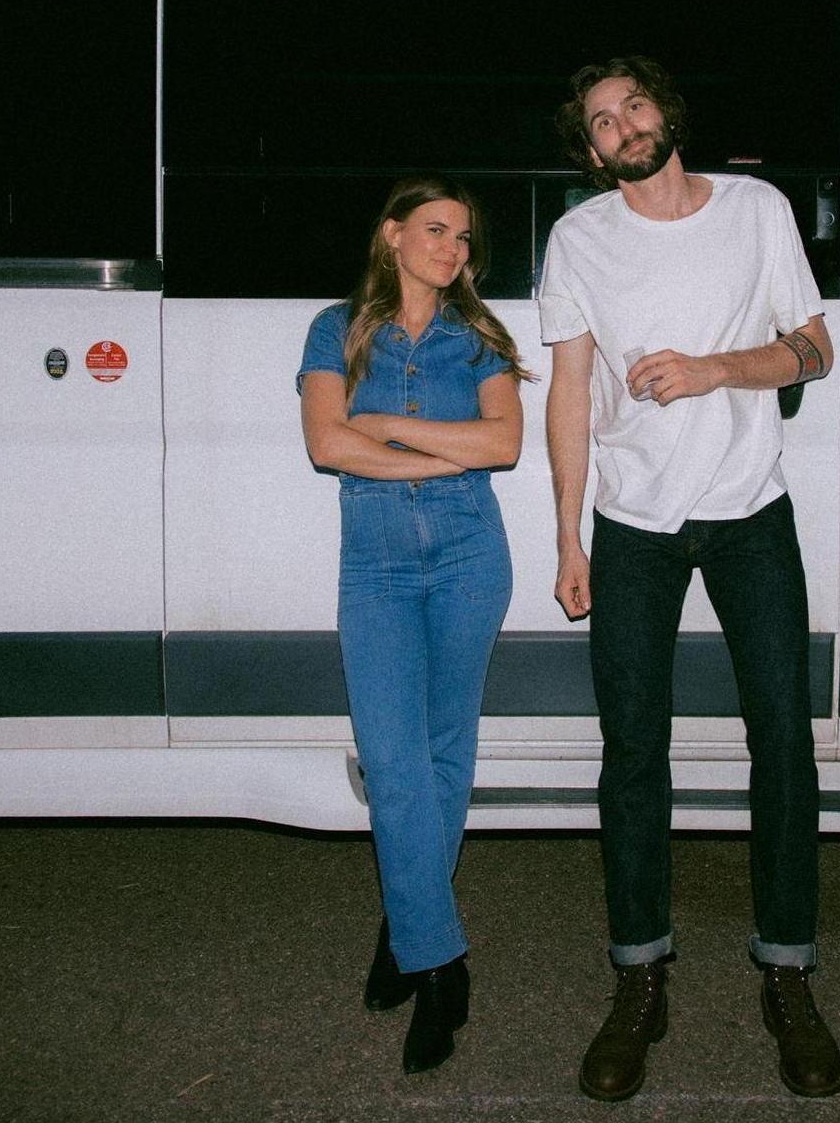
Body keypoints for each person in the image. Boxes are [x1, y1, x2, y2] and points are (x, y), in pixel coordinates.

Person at [538, 57, 840, 1101]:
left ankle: (788, 973)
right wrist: (568, 536)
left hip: (751, 512)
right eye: (599, 121)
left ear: (664, 111)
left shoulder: (756, 210)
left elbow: (814, 350)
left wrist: (717, 368)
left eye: (632, 104)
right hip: (632, 523)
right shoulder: (579, 240)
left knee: (784, 743)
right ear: (590, 152)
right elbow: (569, 387)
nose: (621, 124)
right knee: (633, 752)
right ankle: (639, 977)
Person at [298, 173, 532, 1075]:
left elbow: (503, 444)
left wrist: (391, 425)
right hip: (379, 568)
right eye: (436, 230)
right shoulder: (336, 329)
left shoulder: (480, 338)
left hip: (472, 560)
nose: (452, 249)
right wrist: (440, 456)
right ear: (392, 234)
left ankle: (407, 929)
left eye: (463, 238)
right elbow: (328, 443)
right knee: (393, 762)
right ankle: (440, 966)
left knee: (442, 755)